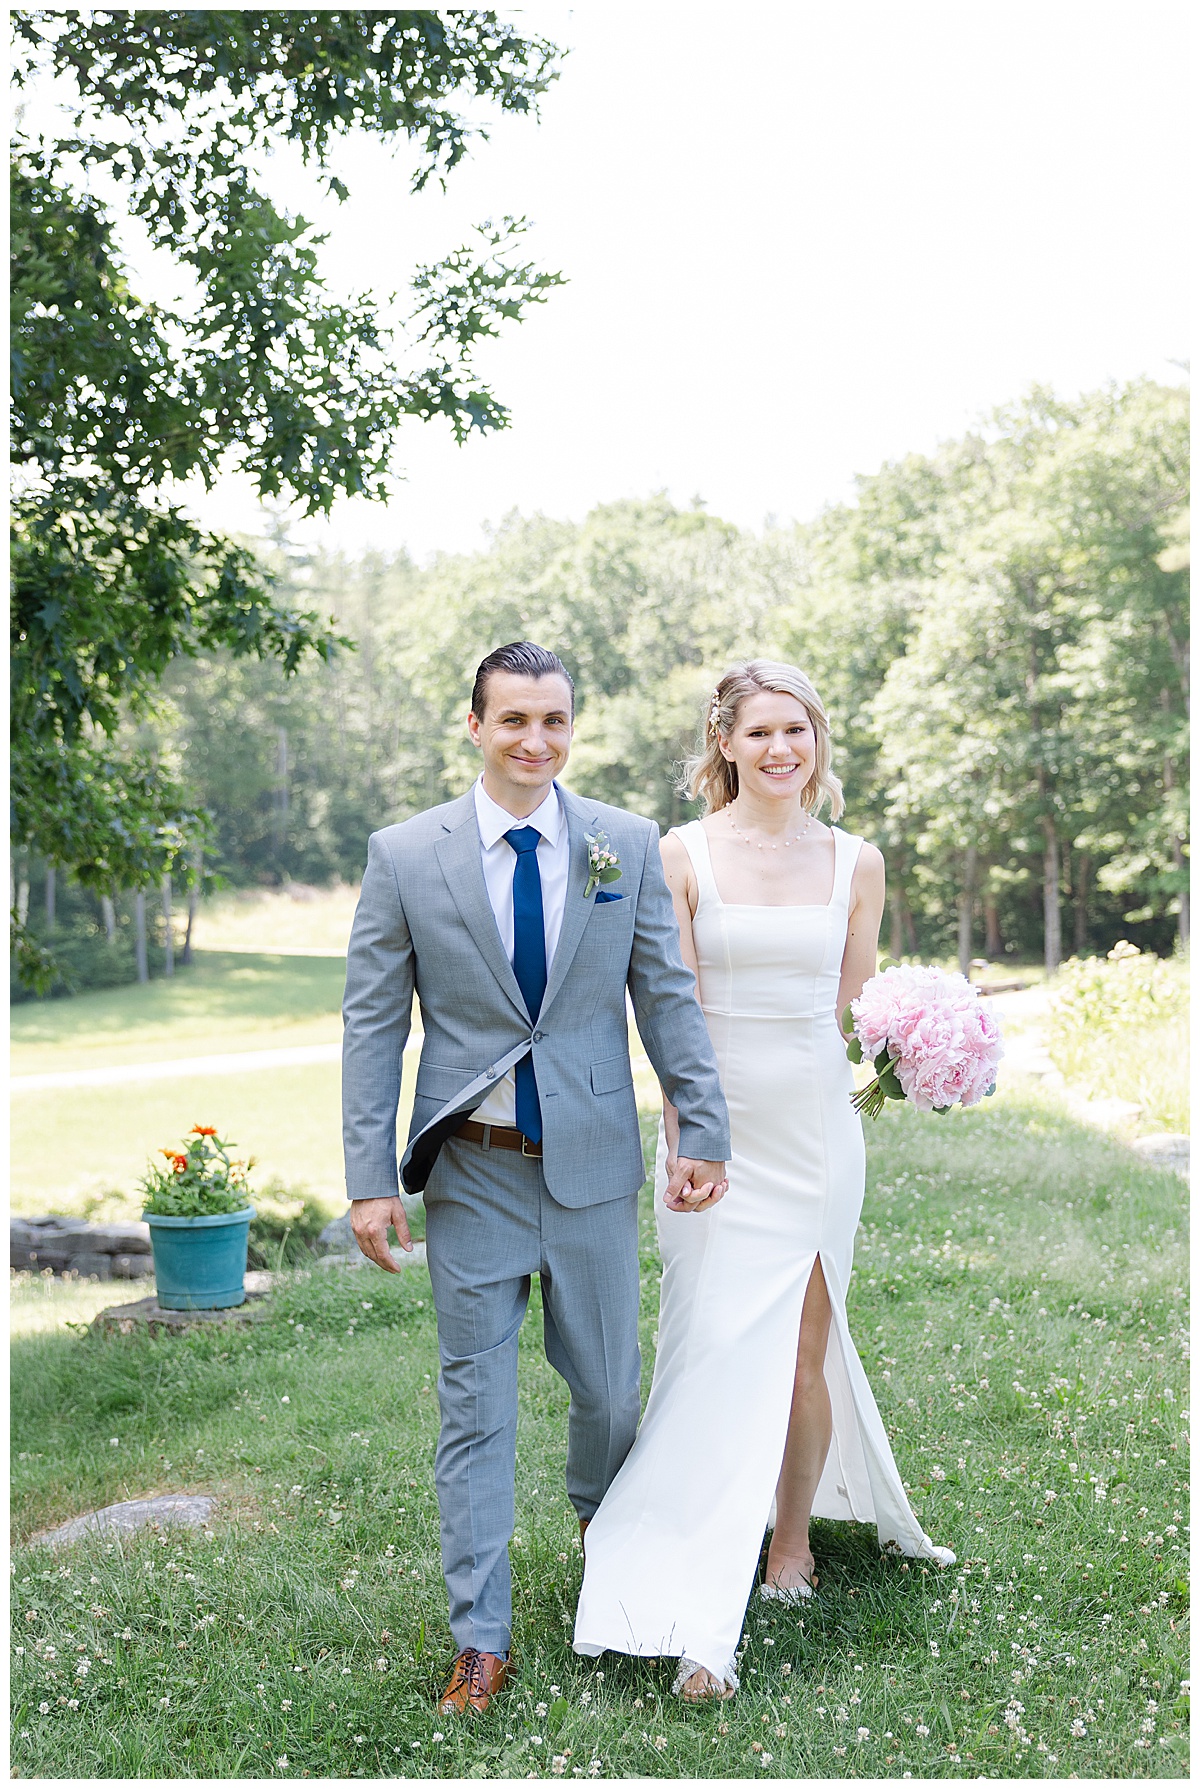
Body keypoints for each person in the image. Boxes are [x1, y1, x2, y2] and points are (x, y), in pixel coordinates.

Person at [341, 641, 730, 1716]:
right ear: (475, 725)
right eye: (514, 719)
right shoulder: (405, 855)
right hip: (471, 1171)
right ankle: (482, 1638)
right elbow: (373, 1019)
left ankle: (611, 1555)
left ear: (571, 725)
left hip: (597, 1165)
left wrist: (704, 1121)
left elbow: (666, 993)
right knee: (476, 1406)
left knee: (608, 1390)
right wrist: (370, 1174)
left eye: (553, 720)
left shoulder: (624, 843)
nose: (535, 740)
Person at [573, 659, 954, 1702]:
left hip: (821, 1130)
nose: (783, 748)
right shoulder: (679, 852)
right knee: (708, 1341)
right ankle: (688, 1559)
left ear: (817, 742)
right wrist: (696, 1130)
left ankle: (791, 1542)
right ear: (726, 744)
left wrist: (910, 1054)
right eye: (762, 732)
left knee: (803, 1349)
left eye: (800, 729)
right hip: (713, 1129)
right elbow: (667, 1007)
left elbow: (854, 1005)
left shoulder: (855, 861)